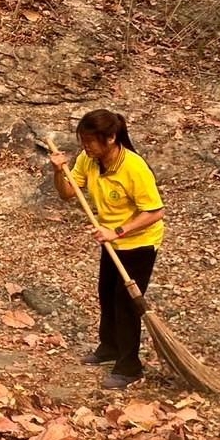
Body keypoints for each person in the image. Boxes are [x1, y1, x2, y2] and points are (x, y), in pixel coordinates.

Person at [49, 109, 165, 390]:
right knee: (106, 294)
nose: (85, 147)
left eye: (90, 141)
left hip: (139, 242)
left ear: (111, 138)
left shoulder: (134, 167)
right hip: (111, 241)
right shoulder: (88, 160)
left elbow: (155, 212)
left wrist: (118, 231)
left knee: (126, 303)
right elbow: (67, 193)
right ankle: (109, 347)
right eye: (83, 141)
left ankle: (129, 367)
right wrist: (58, 171)